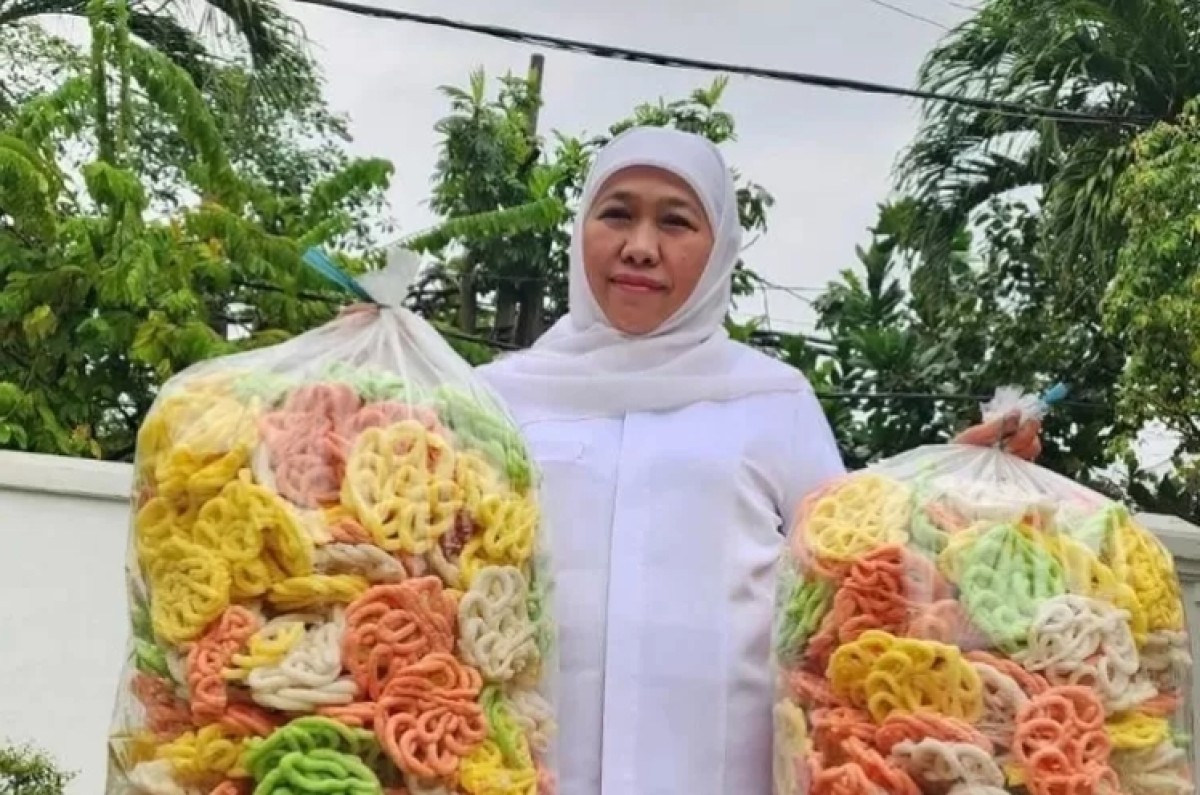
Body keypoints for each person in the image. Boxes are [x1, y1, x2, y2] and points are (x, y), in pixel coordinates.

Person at [479, 126, 845, 795]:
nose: (641, 248)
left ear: (720, 249)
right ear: (581, 227)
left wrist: (955, 497)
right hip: (524, 774)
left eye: (675, 222)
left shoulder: (774, 400)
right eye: (617, 213)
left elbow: (852, 583)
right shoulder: (498, 399)